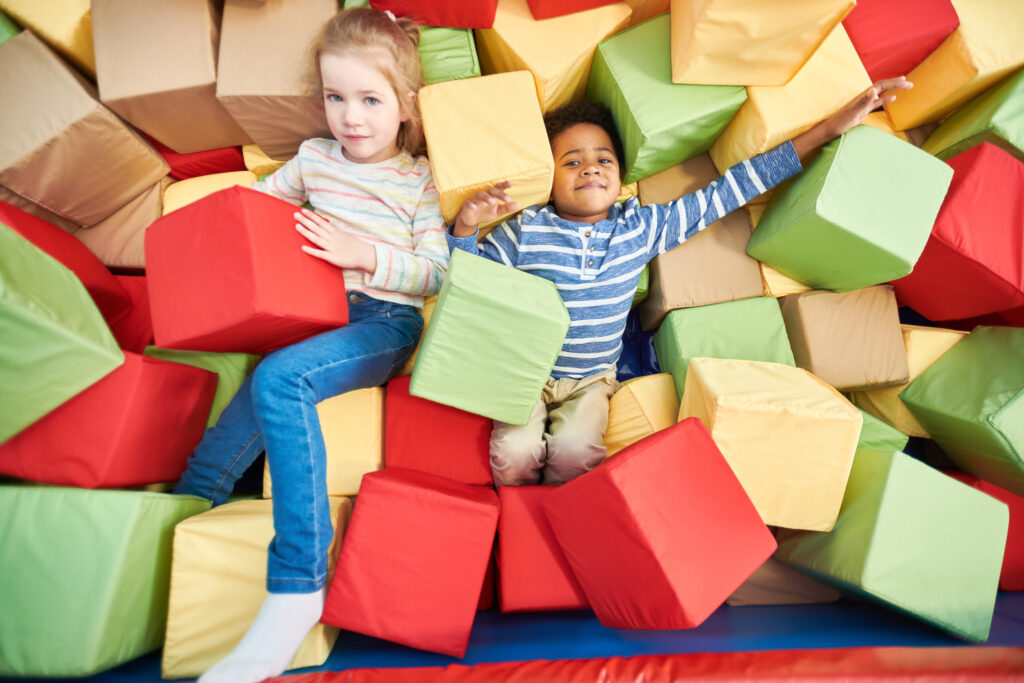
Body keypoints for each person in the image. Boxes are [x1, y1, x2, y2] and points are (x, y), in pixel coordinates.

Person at [448, 77, 913, 488]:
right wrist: (467, 227)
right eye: (572, 162)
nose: (590, 167)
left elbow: (729, 191)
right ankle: (516, 514)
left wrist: (830, 129)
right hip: (525, 373)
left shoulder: (640, 227)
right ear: (550, 181)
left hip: (591, 382)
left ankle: (557, 513)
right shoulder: (527, 228)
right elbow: (470, 280)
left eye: (603, 159)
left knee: (573, 458)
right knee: (511, 460)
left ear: (619, 174)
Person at [173, 8, 448, 683]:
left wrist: (365, 252)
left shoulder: (418, 180)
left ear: (406, 107)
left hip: (382, 322)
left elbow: (436, 270)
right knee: (222, 441)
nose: (350, 117)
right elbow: (259, 211)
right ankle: (165, 543)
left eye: (370, 100)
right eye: (335, 98)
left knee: (278, 380)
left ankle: (298, 586)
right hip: (310, 315)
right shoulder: (314, 159)